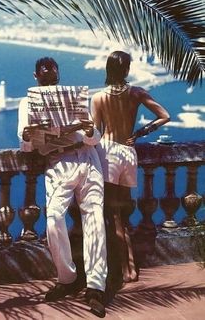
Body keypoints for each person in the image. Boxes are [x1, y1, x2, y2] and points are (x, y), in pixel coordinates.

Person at [17, 57, 107, 318]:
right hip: (58, 163)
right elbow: (26, 144)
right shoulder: (27, 103)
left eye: (53, 76)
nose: (50, 80)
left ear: (58, 75)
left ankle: (96, 286)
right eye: (45, 77)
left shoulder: (75, 99)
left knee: (95, 222)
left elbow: (94, 138)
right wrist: (28, 134)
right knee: (54, 218)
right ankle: (67, 277)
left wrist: (90, 130)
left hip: (87, 160)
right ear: (36, 78)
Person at [91, 50, 170, 287]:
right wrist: (141, 132)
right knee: (123, 213)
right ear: (125, 70)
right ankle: (130, 266)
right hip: (128, 153)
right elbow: (164, 115)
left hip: (108, 153)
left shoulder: (98, 98)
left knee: (112, 214)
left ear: (108, 69)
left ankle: (124, 269)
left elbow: (95, 134)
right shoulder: (136, 93)